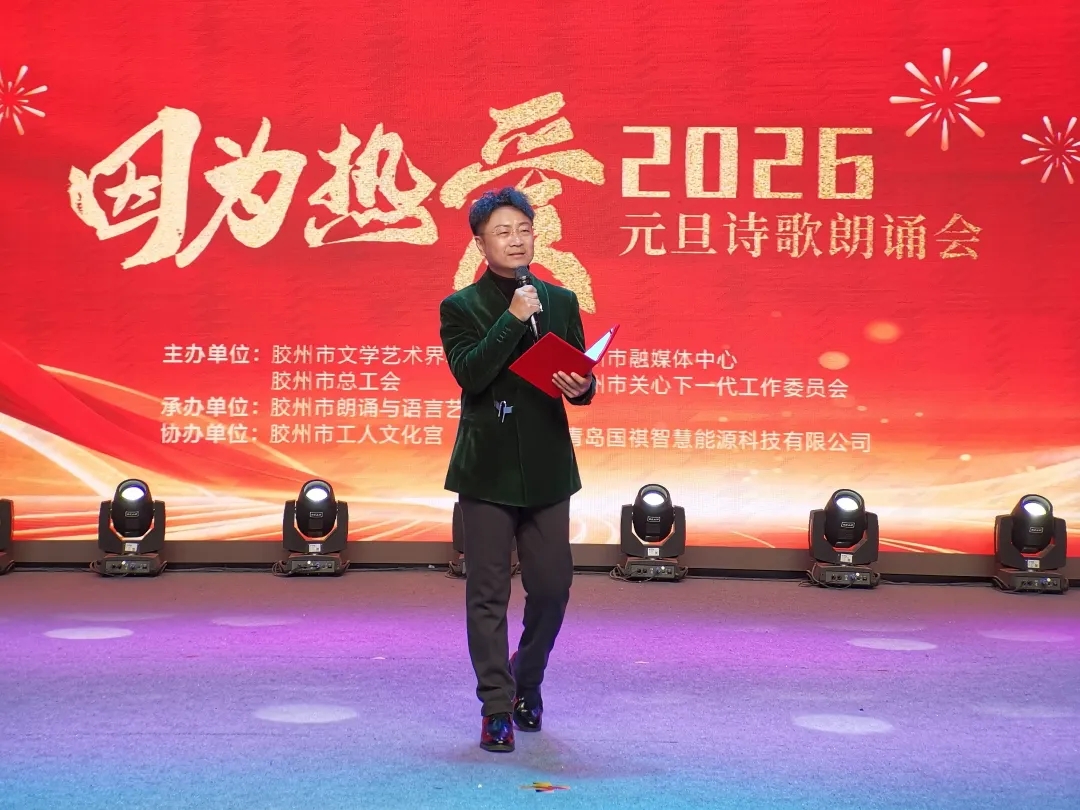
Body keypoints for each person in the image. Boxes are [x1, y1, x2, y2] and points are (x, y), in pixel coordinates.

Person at [439, 186, 596, 752]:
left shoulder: (561, 300)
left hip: (548, 467)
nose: (516, 240)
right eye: (502, 232)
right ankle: (496, 707)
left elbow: (580, 377)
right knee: (487, 593)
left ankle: (527, 681)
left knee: (552, 589)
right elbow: (471, 375)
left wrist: (582, 386)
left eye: (524, 229)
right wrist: (512, 318)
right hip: (487, 469)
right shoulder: (460, 307)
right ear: (480, 243)